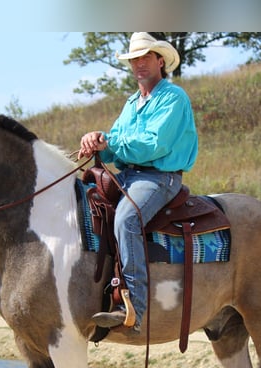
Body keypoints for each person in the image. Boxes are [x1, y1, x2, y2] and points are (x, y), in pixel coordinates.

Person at [79, 32, 199, 331]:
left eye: (145, 57)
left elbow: (152, 145)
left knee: (126, 219)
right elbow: (116, 148)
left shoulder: (173, 97)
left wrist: (110, 140)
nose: (139, 64)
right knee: (84, 204)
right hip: (130, 175)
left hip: (159, 177)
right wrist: (96, 141)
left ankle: (132, 306)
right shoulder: (132, 103)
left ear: (161, 61)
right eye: (134, 59)